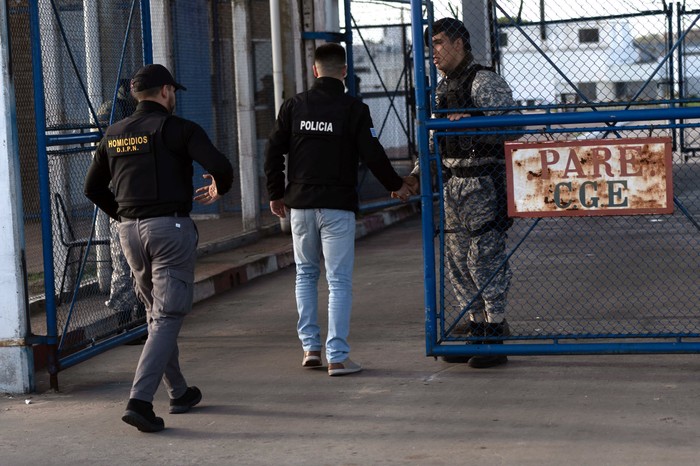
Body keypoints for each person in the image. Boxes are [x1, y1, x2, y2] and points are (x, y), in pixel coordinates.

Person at [84, 64, 234, 432]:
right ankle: (139, 401)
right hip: (170, 229)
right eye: (174, 92)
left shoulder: (114, 133)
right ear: (166, 91)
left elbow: (92, 188)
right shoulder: (179, 128)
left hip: (129, 232)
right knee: (167, 317)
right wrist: (219, 187)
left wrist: (123, 215)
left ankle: (179, 392)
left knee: (157, 316)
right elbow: (219, 165)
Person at [265, 43, 412, 376]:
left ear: (314, 70)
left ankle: (310, 349)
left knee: (305, 274)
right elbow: (372, 153)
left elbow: (273, 152)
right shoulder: (353, 109)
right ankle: (338, 357)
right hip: (337, 207)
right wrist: (396, 184)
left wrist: (276, 193)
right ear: (344, 72)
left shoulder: (293, 106)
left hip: (300, 205)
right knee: (339, 281)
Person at [403, 18, 522, 368]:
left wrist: (473, 120)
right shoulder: (443, 87)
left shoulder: (484, 81)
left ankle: (495, 333)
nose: (434, 52)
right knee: (457, 262)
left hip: (484, 182)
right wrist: (416, 176)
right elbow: (432, 139)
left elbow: (513, 128)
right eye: (431, 45)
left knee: (483, 259)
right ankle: (476, 329)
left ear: (459, 44)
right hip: (454, 183)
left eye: (438, 43)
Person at [97, 79, 146, 333]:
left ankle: (136, 315)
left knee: (131, 260)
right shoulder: (116, 110)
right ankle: (126, 319)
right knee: (124, 260)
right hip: (122, 194)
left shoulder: (131, 112)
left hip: (126, 195)